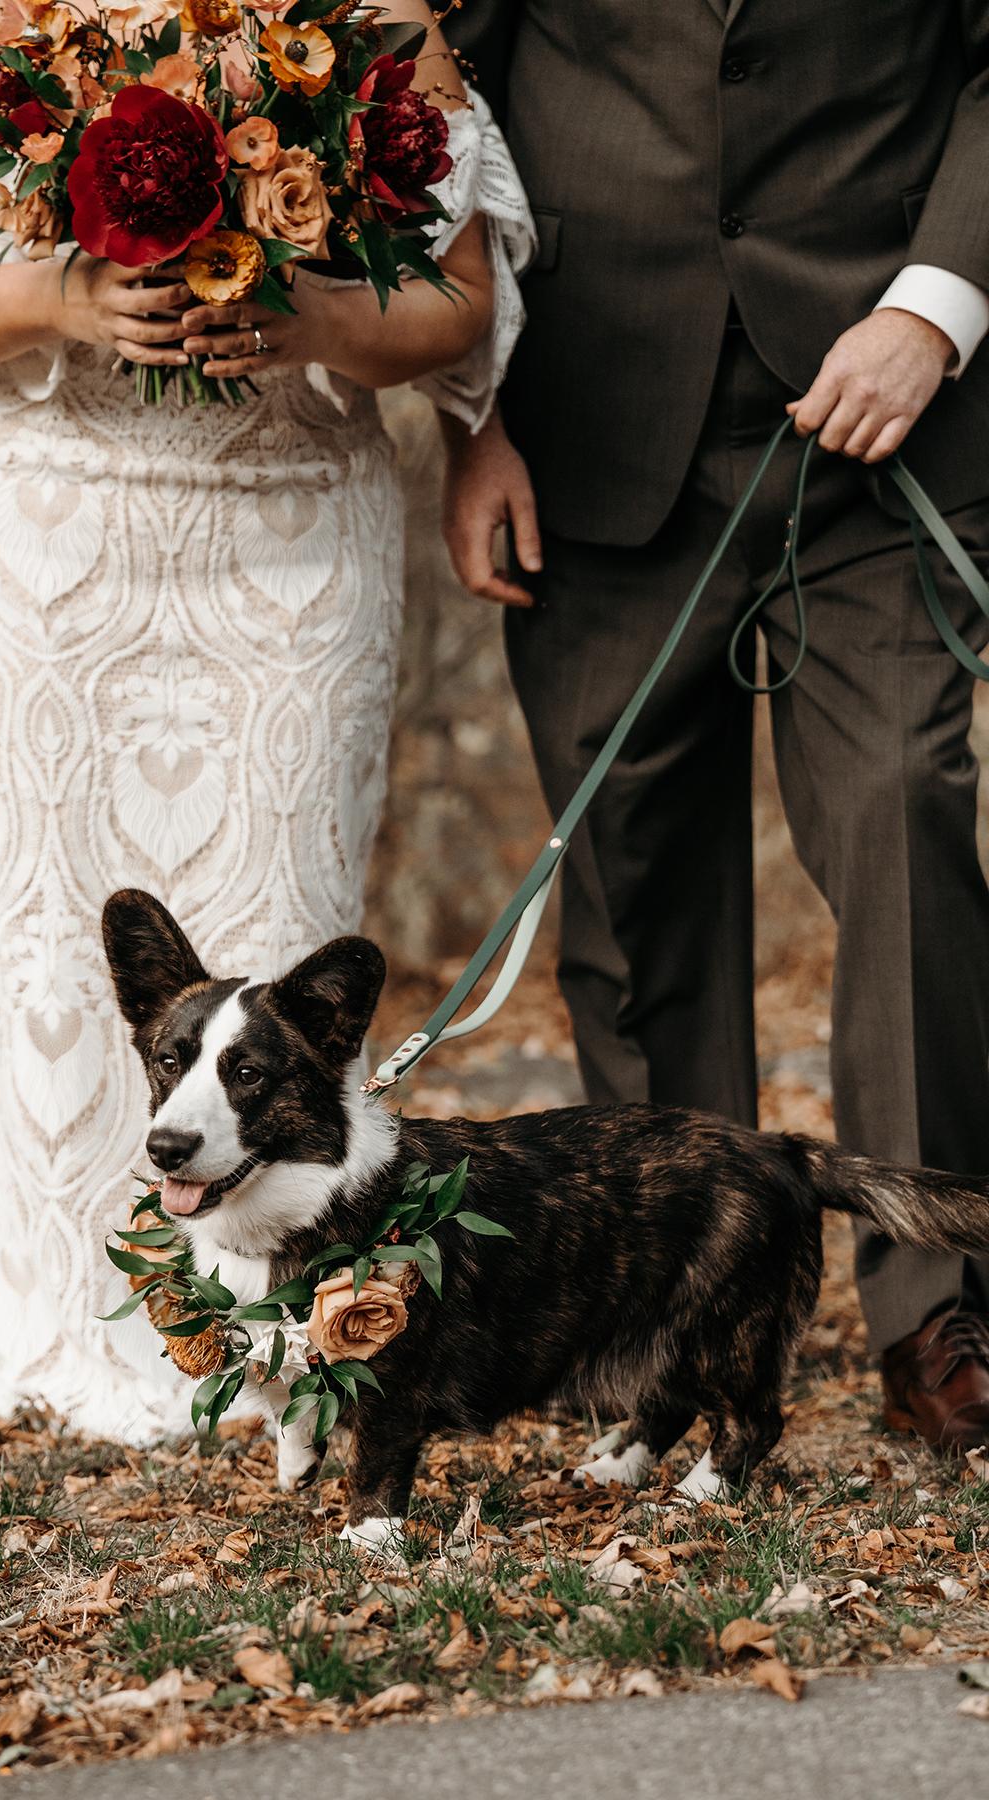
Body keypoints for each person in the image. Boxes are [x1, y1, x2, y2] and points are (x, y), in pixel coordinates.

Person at [0, 0, 535, 1440]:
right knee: (35, 938)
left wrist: (310, 314)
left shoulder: (368, 17)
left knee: (282, 912)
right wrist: (60, 300)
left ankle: (281, 1327)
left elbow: (460, 301)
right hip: (35, 537)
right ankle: (27, 1304)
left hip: (290, 547)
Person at [444, 0, 989, 1452]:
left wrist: (933, 308)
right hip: (594, 420)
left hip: (889, 429)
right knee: (632, 881)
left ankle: (937, 1307)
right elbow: (447, 99)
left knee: (904, 810)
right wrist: (471, 416)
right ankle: (680, 1315)